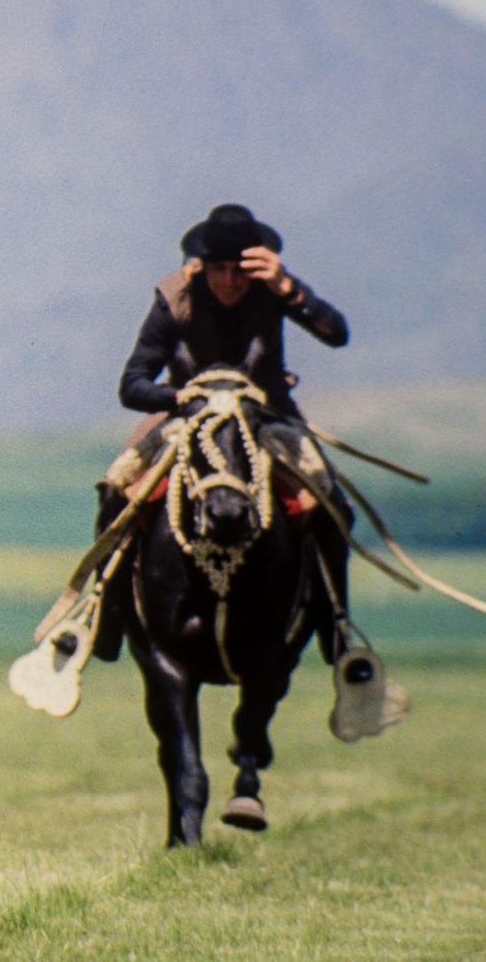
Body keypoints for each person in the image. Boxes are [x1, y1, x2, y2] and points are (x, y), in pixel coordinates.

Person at [91, 203, 352, 662]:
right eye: (218, 269)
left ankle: (336, 626)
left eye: (239, 270)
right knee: (116, 487)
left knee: (331, 500)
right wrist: (180, 399)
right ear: (201, 265)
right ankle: (105, 616)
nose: (229, 281)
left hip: (268, 418)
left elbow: (336, 334)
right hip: (184, 419)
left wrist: (289, 289)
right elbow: (132, 385)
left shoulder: (276, 290)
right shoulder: (175, 297)